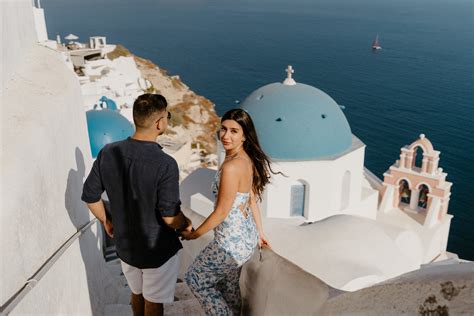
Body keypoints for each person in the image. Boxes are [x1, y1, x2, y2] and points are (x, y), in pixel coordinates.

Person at [81, 93, 192, 316]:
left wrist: (107, 221)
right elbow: (169, 216)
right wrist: (186, 225)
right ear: (160, 122)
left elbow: (90, 196)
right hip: (155, 248)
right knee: (154, 302)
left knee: (137, 292)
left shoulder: (108, 152)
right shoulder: (165, 164)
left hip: (125, 243)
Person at [181, 108, 276, 315]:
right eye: (223, 129)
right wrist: (259, 232)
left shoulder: (233, 166)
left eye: (234, 131)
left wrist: (194, 234)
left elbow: (221, 212)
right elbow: (251, 199)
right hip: (245, 239)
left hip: (230, 243)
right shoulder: (245, 158)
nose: (226, 136)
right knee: (228, 287)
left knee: (196, 279)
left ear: (244, 135)